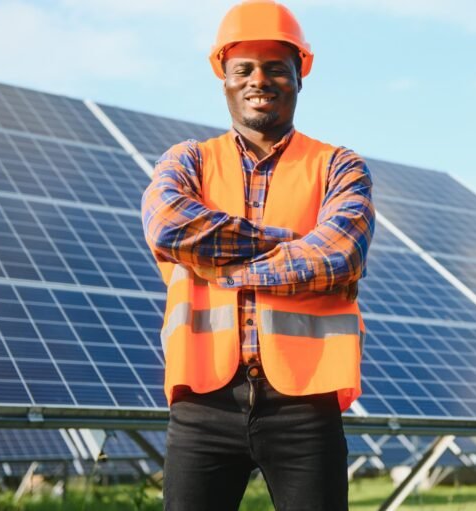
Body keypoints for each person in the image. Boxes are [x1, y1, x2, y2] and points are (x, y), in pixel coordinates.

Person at [140, 1, 374, 509]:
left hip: (305, 404)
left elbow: (340, 254)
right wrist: (291, 241)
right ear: (223, 77)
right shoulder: (188, 161)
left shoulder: (340, 166)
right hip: (203, 401)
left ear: (299, 76)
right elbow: (168, 225)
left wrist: (218, 266)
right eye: (243, 68)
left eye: (275, 68)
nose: (258, 80)